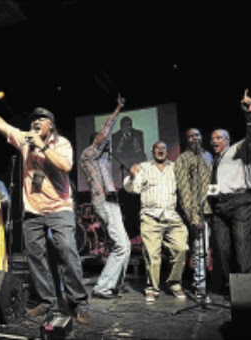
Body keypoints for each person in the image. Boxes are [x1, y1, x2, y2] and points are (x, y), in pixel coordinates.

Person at [0, 83, 90, 323]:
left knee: (67, 253)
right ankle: (47, 302)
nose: (35, 123)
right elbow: (0, 124)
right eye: (33, 120)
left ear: (51, 124)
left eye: (41, 119)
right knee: (35, 257)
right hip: (32, 211)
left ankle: (78, 302)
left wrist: (41, 146)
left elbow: (66, 166)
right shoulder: (24, 140)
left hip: (59, 208)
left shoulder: (61, 143)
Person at [124, 141, 188, 302]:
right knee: (152, 255)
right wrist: (132, 176)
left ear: (167, 151)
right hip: (150, 216)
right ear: (152, 152)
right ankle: (152, 287)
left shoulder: (175, 167)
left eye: (163, 148)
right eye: (157, 148)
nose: (160, 150)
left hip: (172, 216)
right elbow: (133, 189)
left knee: (181, 248)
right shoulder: (144, 167)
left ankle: (174, 283)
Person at [80, 96, 131, 299]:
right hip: (103, 202)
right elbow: (105, 131)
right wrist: (117, 109)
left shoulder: (100, 159)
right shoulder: (89, 153)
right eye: (104, 140)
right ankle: (103, 287)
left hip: (111, 202)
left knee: (124, 245)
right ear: (96, 140)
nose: (107, 142)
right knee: (121, 245)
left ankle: (113, 285)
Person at [209, 89, 251, 285]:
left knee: (242, 243)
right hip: (219, 206)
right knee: (221, 248)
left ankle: (250, 286)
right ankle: (229, 285)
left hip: (239, 202)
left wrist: (249, 114)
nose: (214, 141)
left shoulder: (239, 149)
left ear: (228, 139)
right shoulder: (214, 160)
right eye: (212, 138)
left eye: (218, 138)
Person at [175, 128, 213, 299]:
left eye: (196, 135)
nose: (194, 138)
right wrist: (192, 215)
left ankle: (214, 284)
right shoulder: (183, 159)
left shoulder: (208, 156)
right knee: (200, 249)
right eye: (190, 136)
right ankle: (200, 286)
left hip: (216, 209)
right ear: (186, 140)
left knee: (214, 250)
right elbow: (184, 191)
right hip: (198, 211)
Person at [111, 116, 146, 185]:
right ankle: (119, 184)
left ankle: (140, 182)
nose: (127, 127)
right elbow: (115, 153)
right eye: (125, 125)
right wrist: (119, 146)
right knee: (116, 163)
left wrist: (137, 147)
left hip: (135, 158)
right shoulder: (115, 136)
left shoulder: (138, 134)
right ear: (121, 127)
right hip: (122, 159)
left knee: (142, 159)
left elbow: (141, 151)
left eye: (129, 125)